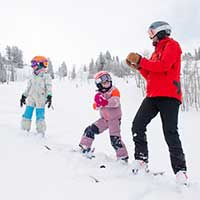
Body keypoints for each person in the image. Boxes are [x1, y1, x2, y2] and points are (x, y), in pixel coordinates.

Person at [126, 21, 188, 185]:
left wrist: (142, 60)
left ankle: (180, 171)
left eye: (151, 32)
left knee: (170, 132)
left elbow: (163, 66)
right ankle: (141, 160)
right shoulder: (155, 53)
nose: (150, 36)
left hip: (169, 96)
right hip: (153, 95)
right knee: (137, 125)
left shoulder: (172, 45)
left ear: (160, 32)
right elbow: (152, 75)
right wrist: (138, 66)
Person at [79, 71, 129, 162]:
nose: (107, 83)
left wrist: (104, 102)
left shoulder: (114, 91)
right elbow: (95, 106)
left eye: (108, 81)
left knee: (115, 139)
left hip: (114, 120)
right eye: (104, 82)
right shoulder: (99, 94)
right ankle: (84, 147)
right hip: (104, 119)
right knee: (90, 130)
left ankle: (123, 157)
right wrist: (98, 103)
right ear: (99, 84)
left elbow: (115, 102)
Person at [20, 56, 52, 136]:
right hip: (31, 97)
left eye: (34, 64)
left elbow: (49, 87)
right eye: (32, 64)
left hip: (40, 99)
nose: (32, 66)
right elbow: (28, 87)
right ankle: (24, 130)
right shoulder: (32, 76)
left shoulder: (46, 76)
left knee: (40, 116)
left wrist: (49, 96)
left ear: (40, 64)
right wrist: (24, 96)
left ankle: (40, 133)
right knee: (27, 113)